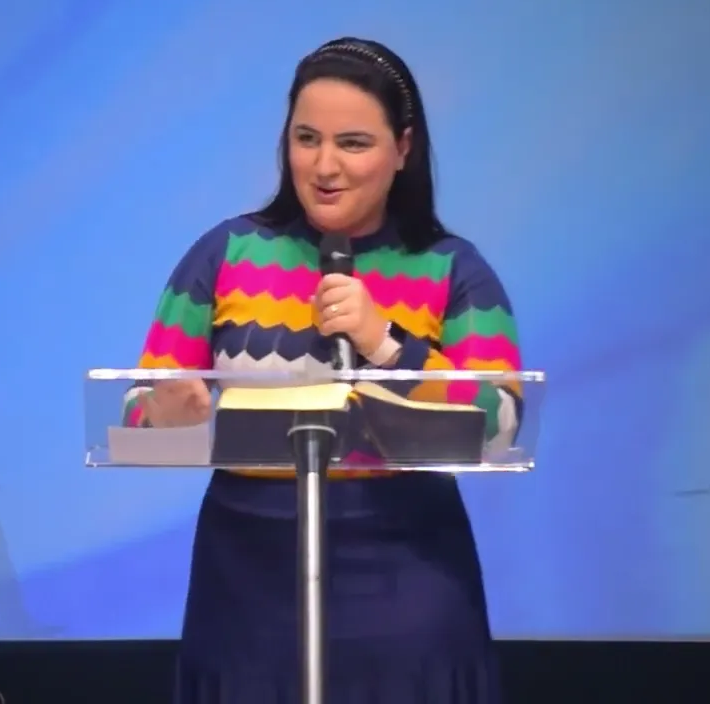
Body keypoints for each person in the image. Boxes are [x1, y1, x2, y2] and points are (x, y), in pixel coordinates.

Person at [125, 37, 524, 704]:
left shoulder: (454, 269)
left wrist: (386, 343)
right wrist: (162, 414)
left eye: (353, 143)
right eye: (306, 139)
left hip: (407, 568)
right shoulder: (226, 252)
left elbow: (501, 423)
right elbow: (139, 406)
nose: (324, 166)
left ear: (403, 148)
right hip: (249, 570)